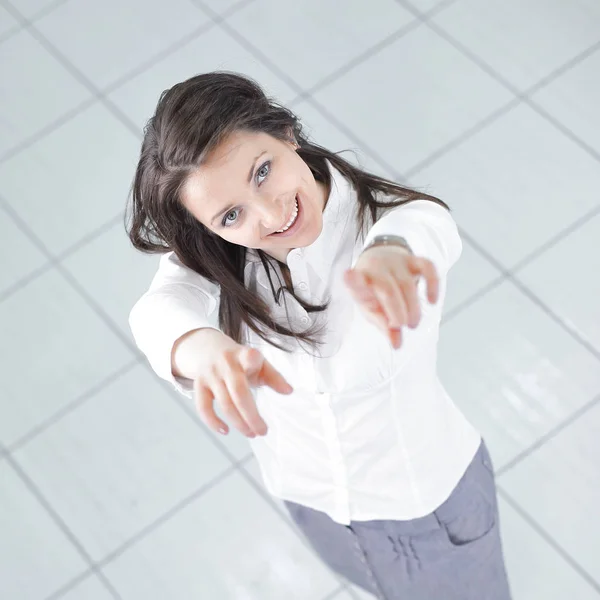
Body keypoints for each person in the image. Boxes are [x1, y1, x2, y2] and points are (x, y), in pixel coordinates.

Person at [127, 71, 512, 599]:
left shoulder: (394, 221)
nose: (269, 215)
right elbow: (157, 311)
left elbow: (425, 231)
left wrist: (391, 253)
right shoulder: (221, 259)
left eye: (263, 171)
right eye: (231, 214)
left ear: (287, 134)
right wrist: (200, 348)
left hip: (428, 507)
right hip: (313, 503)